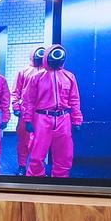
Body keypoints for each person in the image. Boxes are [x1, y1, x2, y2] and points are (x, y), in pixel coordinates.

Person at [23, 44, 83, 177]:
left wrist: (77, 120)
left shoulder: (69, 76)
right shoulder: (36, 77)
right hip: (42, 119)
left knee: (64, 155)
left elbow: (74, 100)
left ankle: (60, 182)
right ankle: (35, 181)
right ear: (47, 58)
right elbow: (29, 100)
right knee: (37, 155)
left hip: (63, 119)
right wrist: (28, 120)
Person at [13, 46, 45, 171]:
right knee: (24, 140)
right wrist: (16, 106)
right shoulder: (23, 72)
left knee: (40, 142)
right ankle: (21, 166)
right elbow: (16, 91)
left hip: (42, 113)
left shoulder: (48, 73)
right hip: (25, 112)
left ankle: (35, 168)